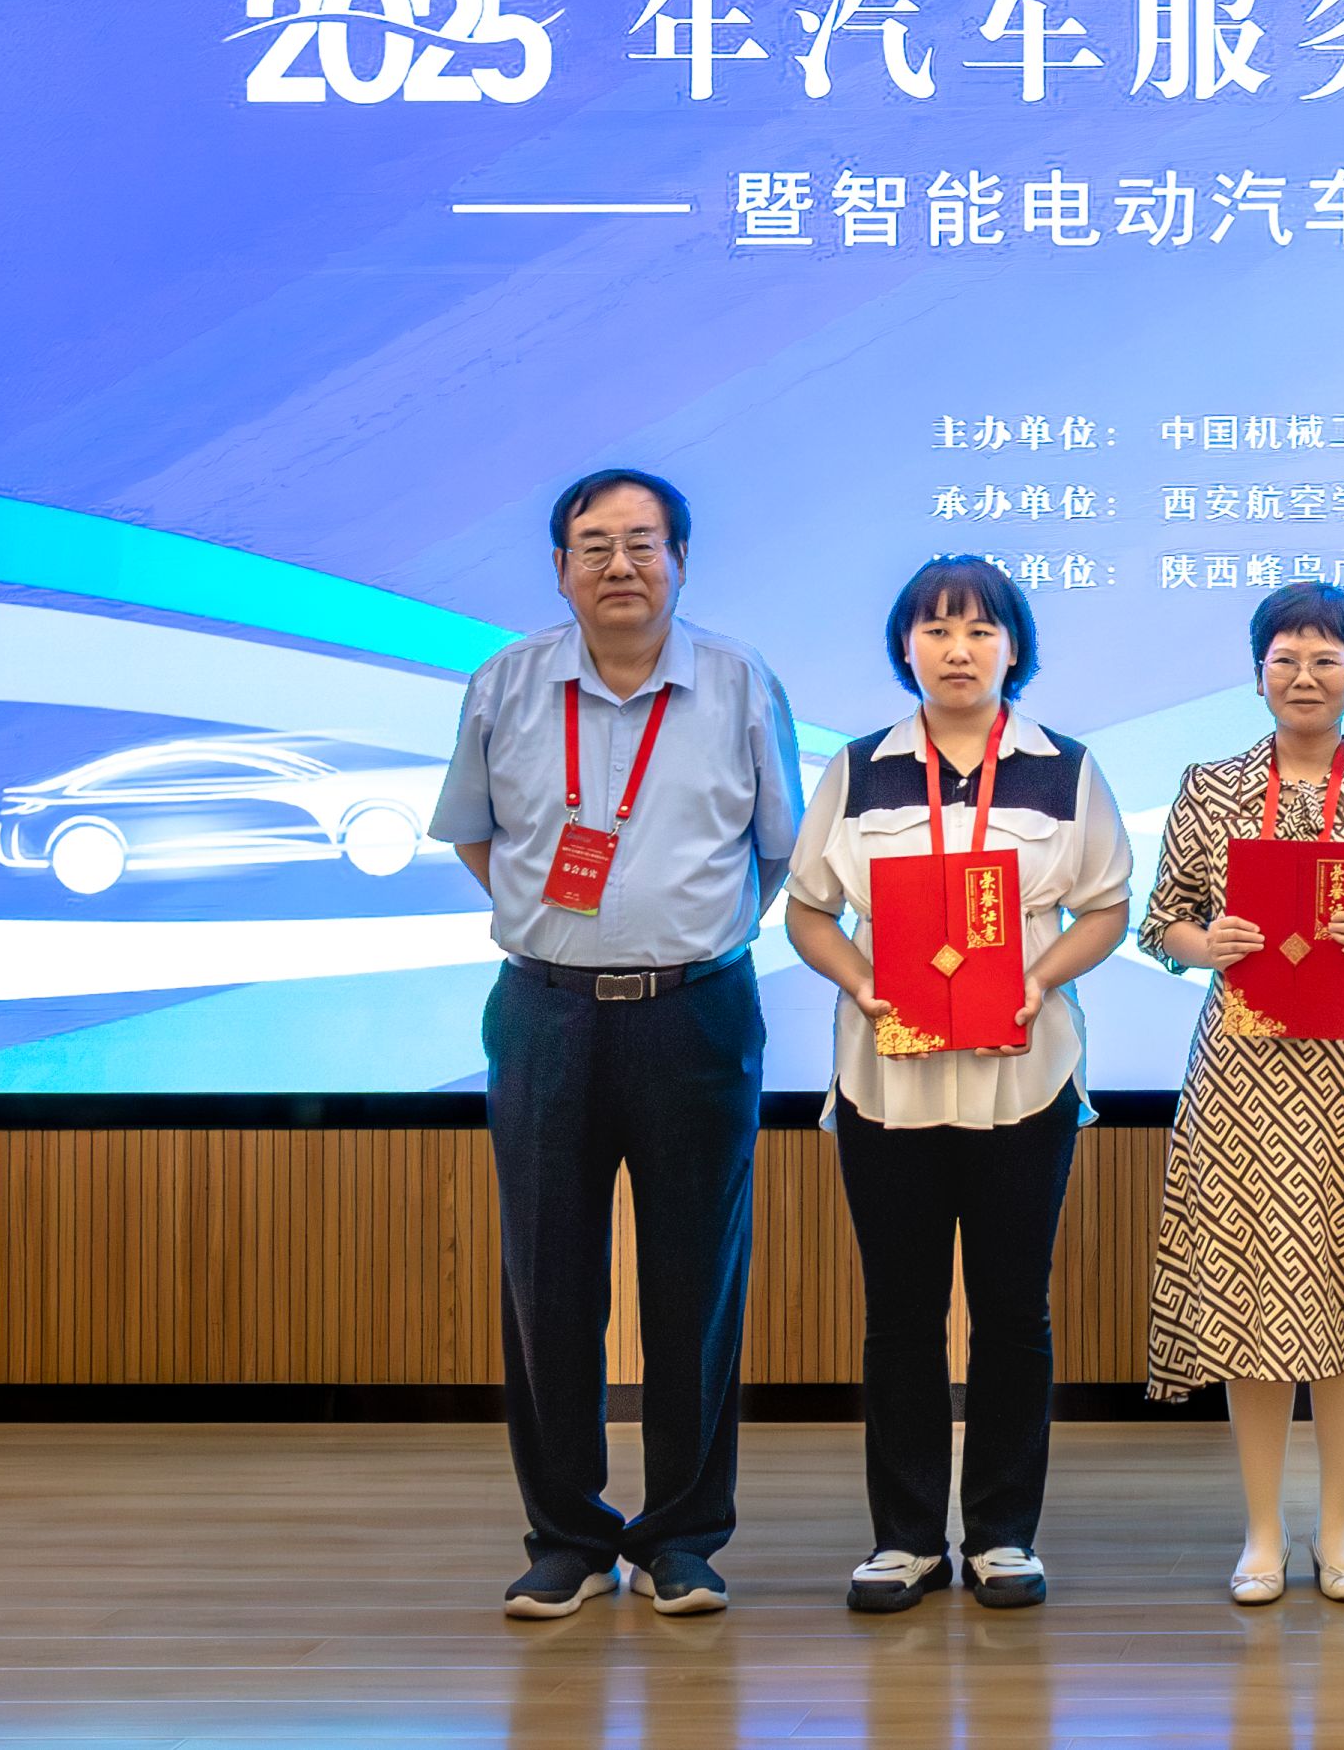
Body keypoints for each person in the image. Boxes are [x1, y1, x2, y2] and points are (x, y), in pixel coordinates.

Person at [430, 467, 801, 1622]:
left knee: (697, 1283)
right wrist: (562, 931)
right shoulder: (504, 684)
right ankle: (569, 1538)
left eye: (643, 543)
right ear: (560, 569)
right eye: (594, 546)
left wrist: (684, 936)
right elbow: (476, 838)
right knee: (548, 1283)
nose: (620, 565)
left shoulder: (740, 684)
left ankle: (682, 1538)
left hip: (697, 1010)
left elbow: (776, 851)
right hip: (546, 1010)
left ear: (681, 561)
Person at [783, 556, 1133, 1615]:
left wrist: (1039, 978)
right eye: (936, 630)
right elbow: (808, 909)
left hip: (1022, 1080)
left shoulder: (1065, 768)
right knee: (900, 1314)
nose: (958, 649)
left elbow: (1107, 907)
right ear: (906, 648)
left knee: (1013, 1312)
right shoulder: (859, 769)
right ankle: (903, 1541)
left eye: (981, 630)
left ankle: (1001, 1537)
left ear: (1014, 648)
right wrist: (862, 984)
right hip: (887, 1085)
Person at [1138, 581, 1344, 1605]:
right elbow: (1161, 924)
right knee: (1252, 1291)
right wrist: (1207, 942)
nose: (1304, 677)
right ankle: (1261, 1534)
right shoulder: (1211, 788)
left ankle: (1338, 1530)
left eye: (1326, 660)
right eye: (1284, 659)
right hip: (1242, 1075)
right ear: (1257, 675)